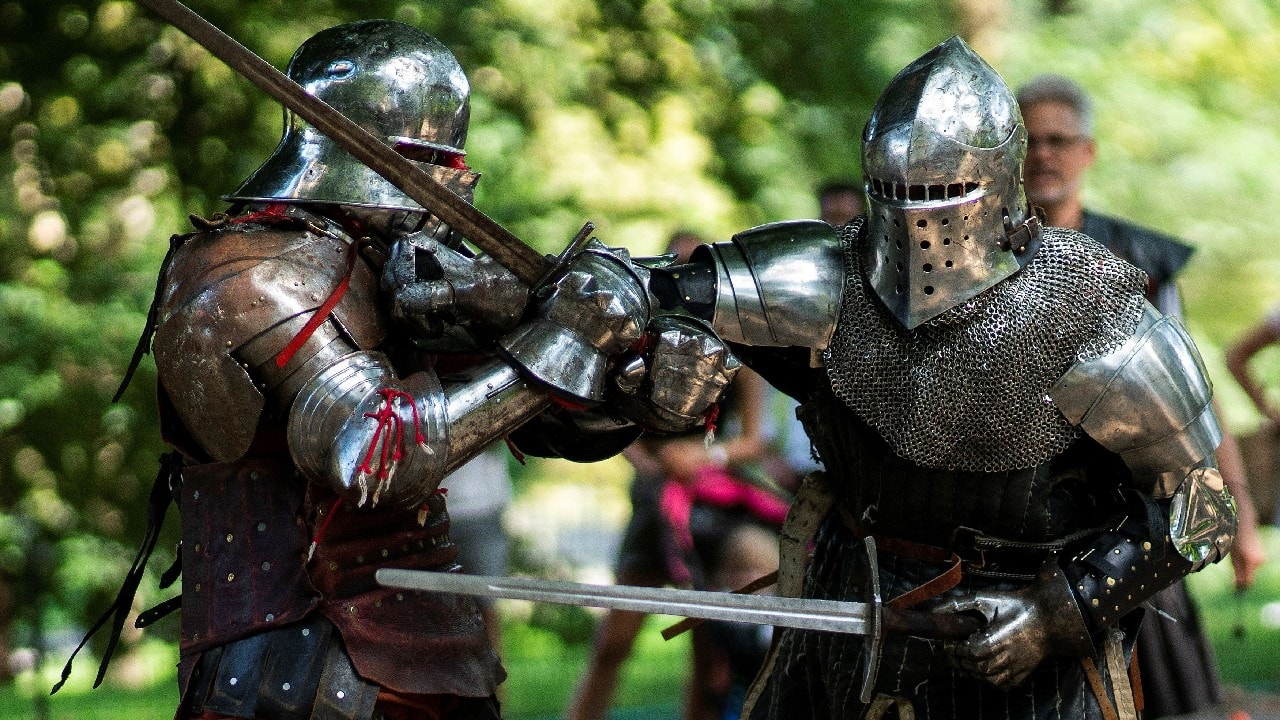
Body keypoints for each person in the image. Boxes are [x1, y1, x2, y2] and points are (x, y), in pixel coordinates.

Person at [60, 20, 738, 720]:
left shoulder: (388, 262)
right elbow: (374, 449)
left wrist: (627, 383)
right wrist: (558, 344)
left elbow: (545, 427)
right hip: (291, 660)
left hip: (433, 652)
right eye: (429, 159)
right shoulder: (250, 272)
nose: (450, 182)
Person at [648, 36, 1237, 719]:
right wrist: (659, 358)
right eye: (898, 196)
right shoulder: (827, 280)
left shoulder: (1094, 319)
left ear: (998, 190)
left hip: (1020, 664)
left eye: (946, 194)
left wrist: (1059, 611)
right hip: (848, 621)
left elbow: (1204, 507)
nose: (920, 223)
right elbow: (642, 299)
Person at [1017, 72, 1266, 719]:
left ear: (1086, 152)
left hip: (1119, 516)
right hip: (1004, 513)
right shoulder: (977, 255)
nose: (1043, 155)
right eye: (1030, 140)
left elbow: (1192, 398)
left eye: (1057, 140)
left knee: (1168, 667)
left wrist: (1233, 507)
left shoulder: (1138, 258)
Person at [565, 231, 789, 720]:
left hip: (711, 503)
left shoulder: (742, 346)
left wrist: (707, 460)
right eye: (680, 266)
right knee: (614, 640)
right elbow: (608, 425)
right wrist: (653, 469)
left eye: (699, 268)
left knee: (709, 649)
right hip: (655, 499)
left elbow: (757, 439)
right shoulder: (639, 338)